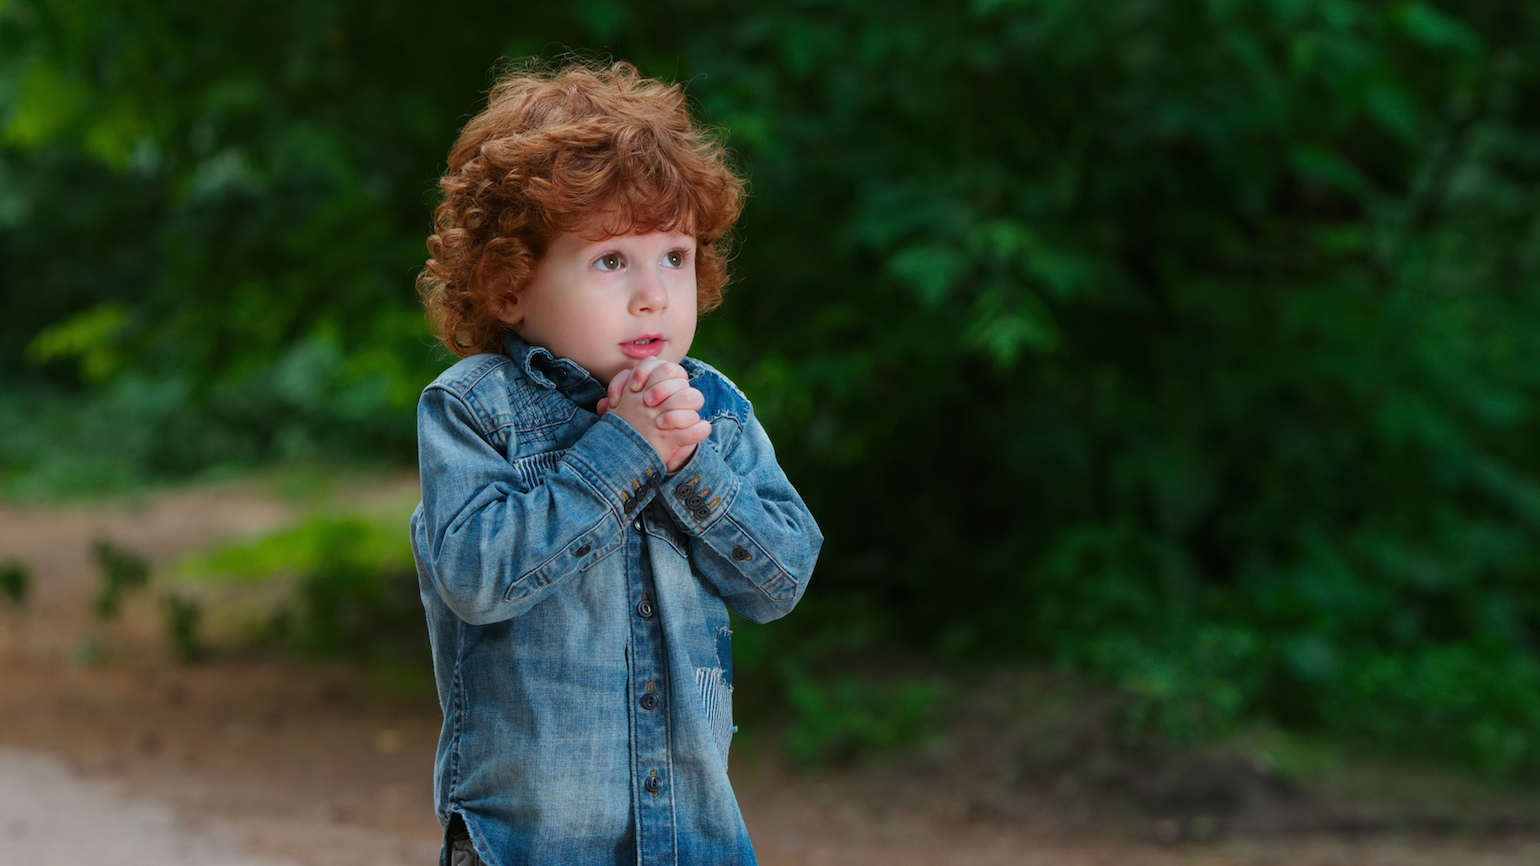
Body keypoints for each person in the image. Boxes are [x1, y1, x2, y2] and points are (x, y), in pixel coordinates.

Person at [408, 60, 823, 866]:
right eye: (610, 261)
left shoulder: (715, 411)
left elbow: (780, 581)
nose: (652, 294)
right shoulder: (474, 408)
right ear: (509, 284)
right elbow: (477, 577)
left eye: (674, 256)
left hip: (694, 836)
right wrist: (625, 451)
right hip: (530, 839)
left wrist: (689, 465)